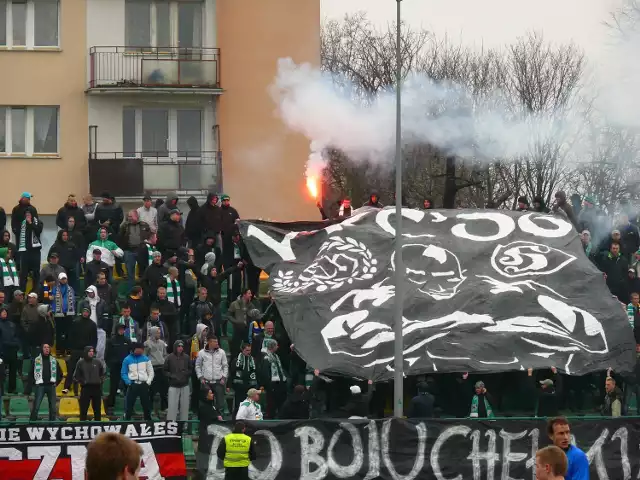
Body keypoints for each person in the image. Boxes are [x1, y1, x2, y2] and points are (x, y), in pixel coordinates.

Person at [195, 334, 228, 416]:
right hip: (206, 382)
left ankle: (219, 418)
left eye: (217, 341)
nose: (217, 343)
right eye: (215, 342)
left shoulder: (222, 352)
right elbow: (197, 366)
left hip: (218, 381)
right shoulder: (201, 353)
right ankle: (207, 418)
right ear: (209, 342)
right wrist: (200, 377)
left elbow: (225, 366)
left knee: (220, 403)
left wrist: (224, 377)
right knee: (206, 403)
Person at [29, 343, 63, 421]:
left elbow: (60, 374)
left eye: (48, 347)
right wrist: (35, 383)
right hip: (40, 386)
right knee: (36, 407)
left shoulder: (54, 360)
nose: (47, 349)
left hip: (51, 386)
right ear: (42, 349)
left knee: (53, 408)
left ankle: (52, 425)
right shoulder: (36, 360)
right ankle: (32, 424)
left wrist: (56, 383)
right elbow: (30, 374)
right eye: (45, 347)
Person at [121, 342, 154, 421]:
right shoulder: (127, 359)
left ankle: (148, 422)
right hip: (132, 384)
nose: (140, 351)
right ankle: (127, 421)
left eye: (141, 350)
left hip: (144, 385)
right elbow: (124, 373)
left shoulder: (146, 359)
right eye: (138, 350)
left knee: (146, 406)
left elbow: (151, 372)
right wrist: (128, 382)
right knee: (129, 406)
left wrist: (148, 382)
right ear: (133, 350)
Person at [120, 210, 151, 292]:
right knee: (130, 273)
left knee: (143, 272)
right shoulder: (124, 226)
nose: (129, 218)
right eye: (128, 216)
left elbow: (150, 236)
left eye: (131, 216)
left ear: (136, 216)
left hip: (141, 251)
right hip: (129, 251)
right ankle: (131, 292)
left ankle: (143, 292)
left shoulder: (145, 225)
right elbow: (120, 237)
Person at [79, 285, 111, 361]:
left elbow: (106, 315)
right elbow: (81, 315)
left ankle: (100, 364)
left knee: (100, 349)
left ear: (95, 292)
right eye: (88, 292)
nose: (90, 294)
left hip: (100, 328)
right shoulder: (84, 302)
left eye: (91, 292)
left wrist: (104, 327)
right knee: (88, 348)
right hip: (87, 328)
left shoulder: (102, 302)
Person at [74, 346, 105, 421]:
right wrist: (83, 381)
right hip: (86, 388)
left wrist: (100, 380)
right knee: (83, 409)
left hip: (96, 388)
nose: (91, 353)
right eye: (89, 351)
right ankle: (82, 426)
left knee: (97, 410)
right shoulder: (80, 362)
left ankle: (98, 426)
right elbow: (76, 376)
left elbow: (103, 374)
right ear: (86, 352)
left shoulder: (97, 362)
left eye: (92, 351)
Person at [164, 339, 192, 422]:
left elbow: (191, 369)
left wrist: (185, 374)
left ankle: (184, 424)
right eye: (179, 346)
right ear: (175, 347)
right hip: (173, 385)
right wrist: (172, 376)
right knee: (172, 407)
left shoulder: (187, 357)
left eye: (182, 346)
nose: (180, 348)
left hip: (185, 385)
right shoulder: (169, 357)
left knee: (185, 407)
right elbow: (165, 370)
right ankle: (170, 425)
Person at [105, 323, 131, 408]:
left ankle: (129, 405)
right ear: (116, 330)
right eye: (120, 329)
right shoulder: (111, 341)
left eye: (123, 329)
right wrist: (110, 364)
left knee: (127, 386)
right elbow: (107, 355)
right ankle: (110, 405)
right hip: (115, 367)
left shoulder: (127, 340)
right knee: (113, 387)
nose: (121, 330)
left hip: (125, 367)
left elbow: (130, 353)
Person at [18, 208, 43, 292]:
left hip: (35, 252)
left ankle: (35, 293)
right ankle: (22, 293)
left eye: (29, 214)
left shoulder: (38, 222)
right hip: (25, 252)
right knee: (23, 274)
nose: (27, 216)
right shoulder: (22, 224)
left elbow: (38, 231)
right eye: (26, 214)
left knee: (36, 274)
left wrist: (30, 223)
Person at [51, 272, 76, 354]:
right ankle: (59, 349)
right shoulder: (55, 289)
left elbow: (73, 300)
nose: (63, 280)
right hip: (58, 314)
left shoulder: (70, 288)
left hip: (68, 313)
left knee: (68, 332)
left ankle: (68, 349)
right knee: (59, 332)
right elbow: (53, 300)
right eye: (62, 279)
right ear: (59, 279)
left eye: (65, 278)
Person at [145, 326, 168, 411]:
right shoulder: (147, 343)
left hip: (162, 368)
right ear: (153, 333)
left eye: (159, 332)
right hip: (153, 368)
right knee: (151, 390)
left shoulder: (162, 343)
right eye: (158, 332)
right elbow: (145, 356)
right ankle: (149, 408)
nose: (159, 334)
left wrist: (164, 361)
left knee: (164, 389)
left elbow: (165, 354)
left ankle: (164, 407)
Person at [230, 343, 258, 414]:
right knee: (238, 405)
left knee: (250, 405)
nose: (249, 352)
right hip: (239, 387)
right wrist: (230, 385)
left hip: (250, 387)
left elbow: (256, 372)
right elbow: (232, 373)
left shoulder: (253, 360)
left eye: (250, 350)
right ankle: (237, 421)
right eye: (247, 350)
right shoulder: (236, 360)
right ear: (242, 350)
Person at [0, 306, 19, 393]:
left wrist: (14, 345)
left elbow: (16, 337)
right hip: (2, 352)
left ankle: (12, 388)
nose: (4, 313)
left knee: (13, 371)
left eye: (5, 312)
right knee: (1, 371)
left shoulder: (12, 325)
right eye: (2, 312)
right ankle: (1, 389)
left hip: (12, 351)